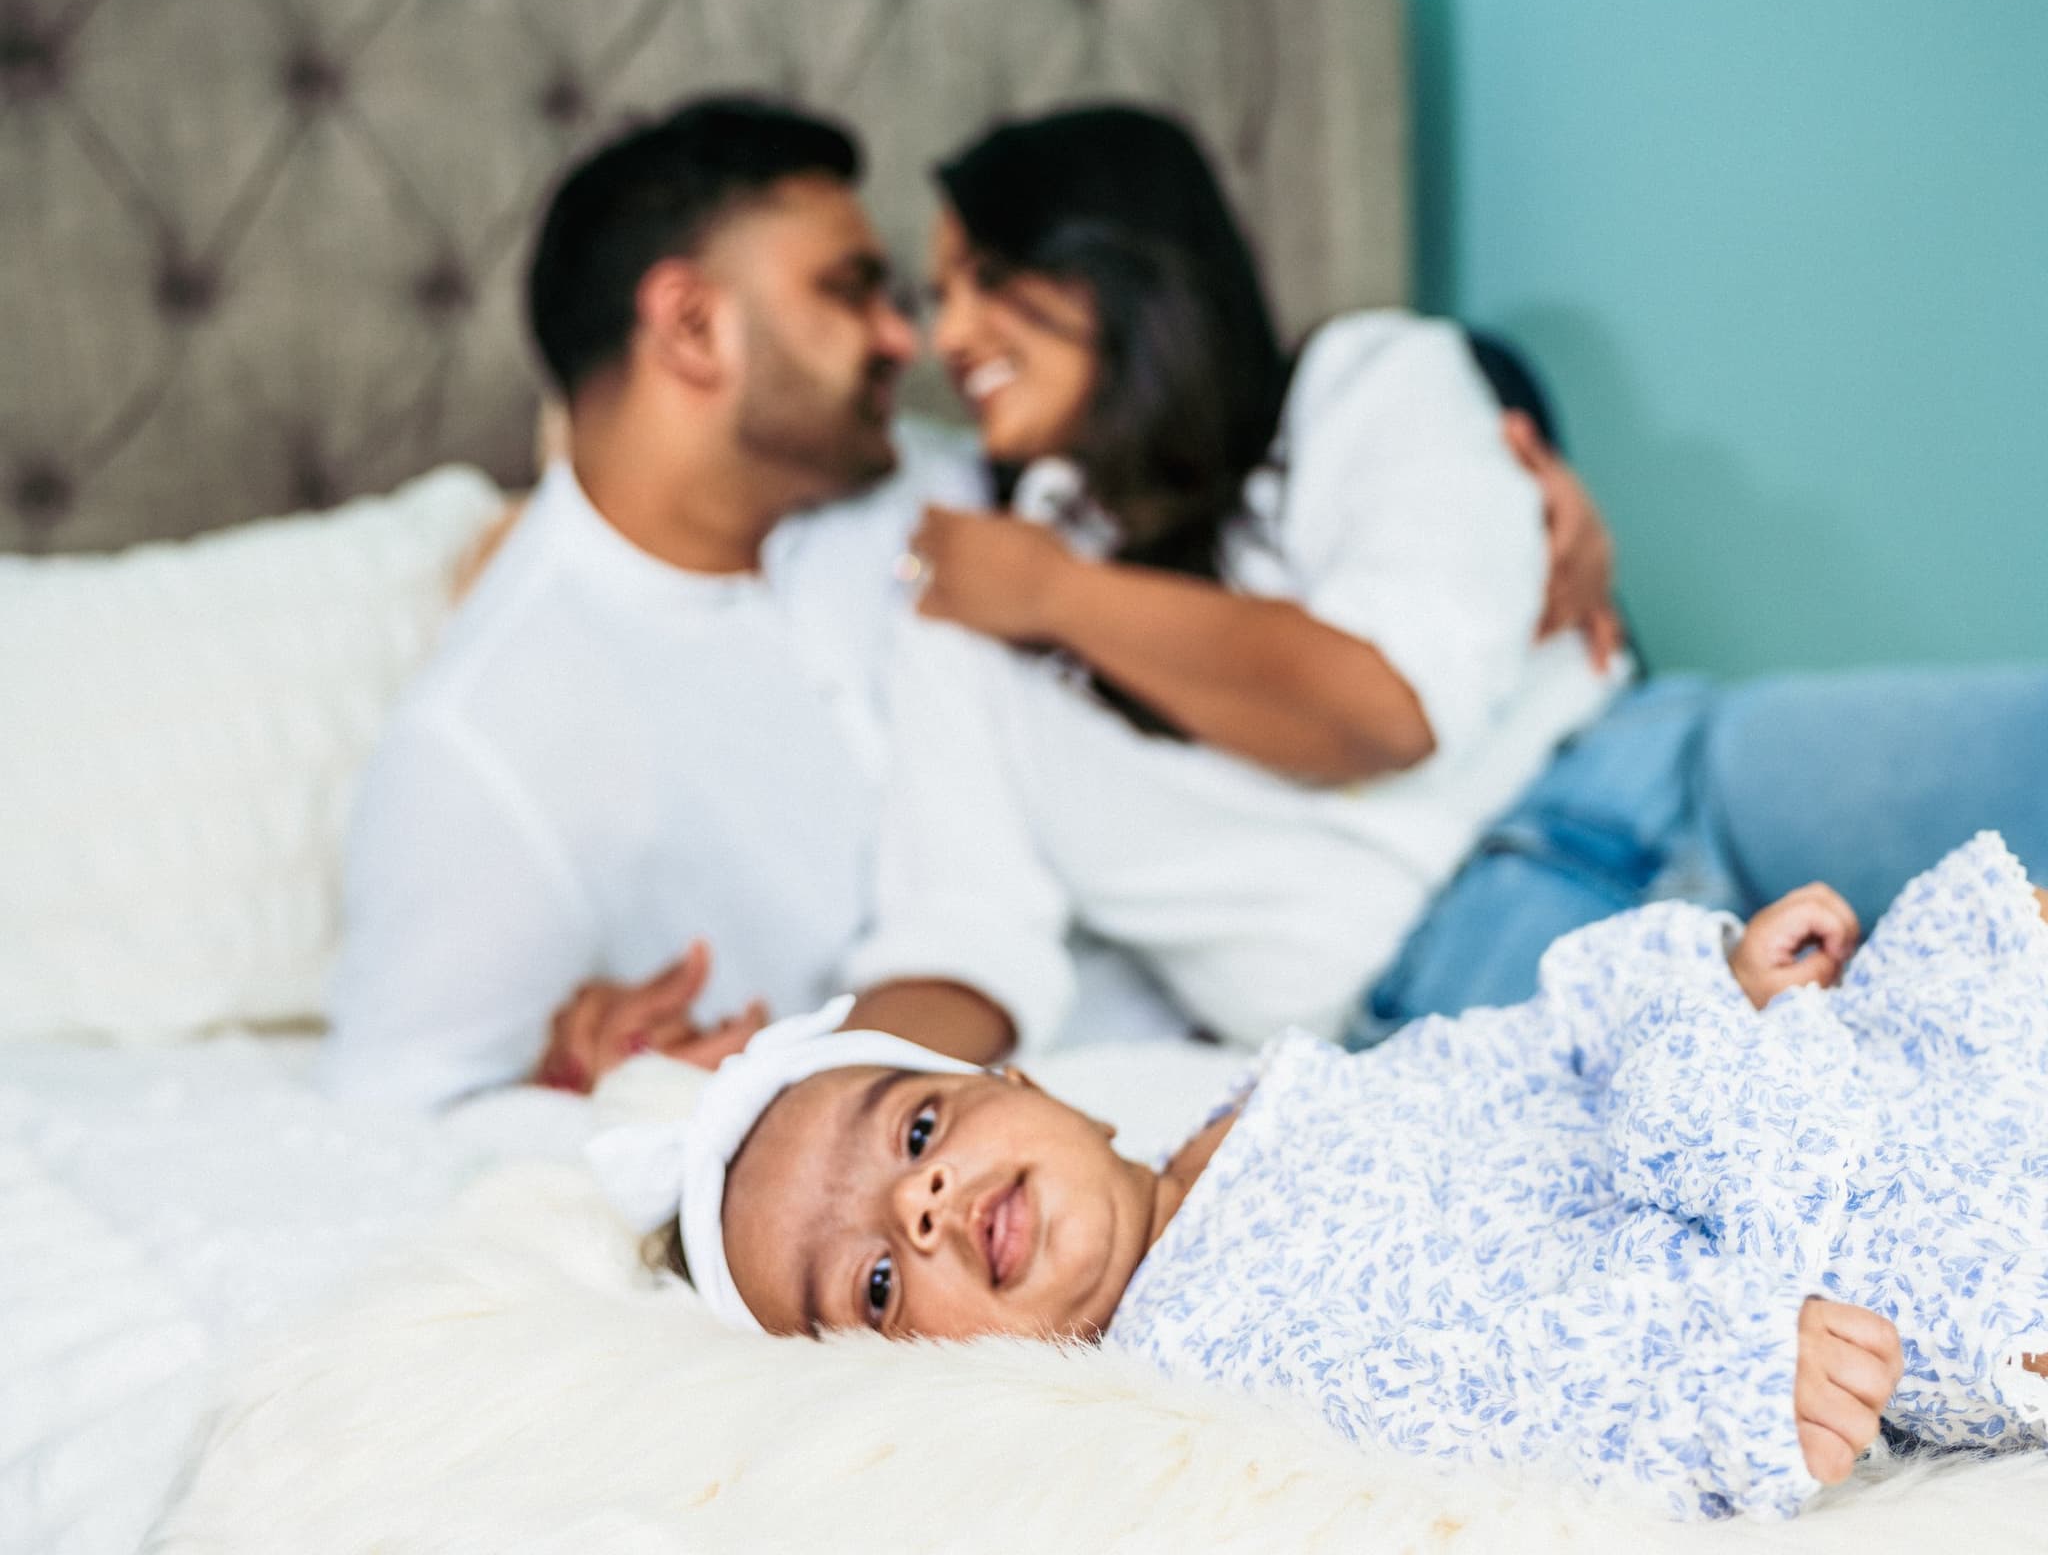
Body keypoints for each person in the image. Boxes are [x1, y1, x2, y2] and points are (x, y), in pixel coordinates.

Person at [325, 96, 1614, 1109]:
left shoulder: (952, 497)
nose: (914, 340)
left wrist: (1522, 459)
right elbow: (398, 1117)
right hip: (1185, 1068)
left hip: (1501, 842)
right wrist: (577, 1079)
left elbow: (1234, 439)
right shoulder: (487, 741)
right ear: (691, 327)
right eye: (852, 290)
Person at [840, 105, 2048, 1067]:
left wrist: (1058, 595)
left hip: (1644, 766)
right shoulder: (960, 611)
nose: (948, 337)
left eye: (986, 276)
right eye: (937, 296)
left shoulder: (1370, 379)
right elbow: (964, 933)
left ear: (1118, 262)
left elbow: (1385, 708)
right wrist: (789, 1094)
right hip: (1454, 984)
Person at [590, 837, 2048, 1524]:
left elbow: (1500, 1055)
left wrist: (1710, 988)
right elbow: (1489, 1407)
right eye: (874, 1283)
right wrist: (1713, 1383)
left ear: (1028, 1090)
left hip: (1744, 1099)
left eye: (916, 1134)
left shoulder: (1258, 1107)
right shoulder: (1194, 1370)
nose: (915, 1209)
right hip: (1790, 1250)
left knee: (1977, 964)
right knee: (1968, 1259)